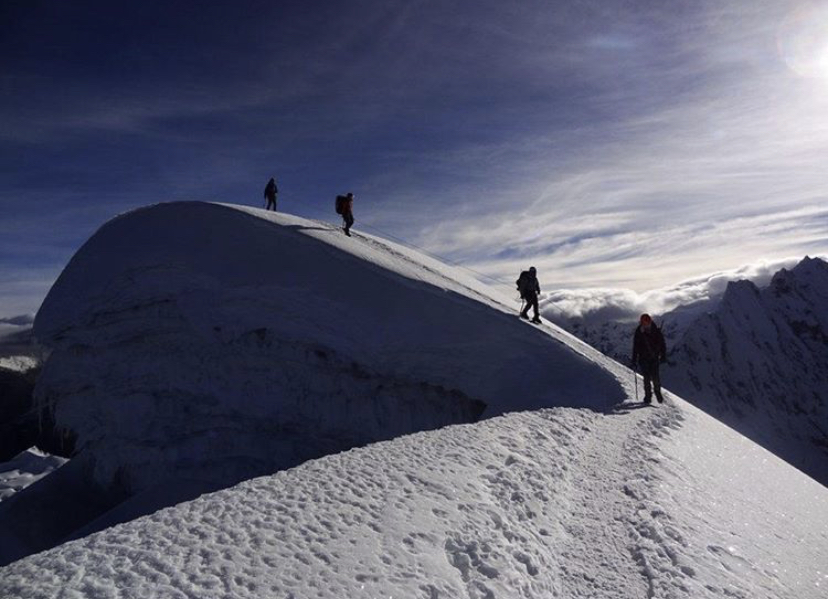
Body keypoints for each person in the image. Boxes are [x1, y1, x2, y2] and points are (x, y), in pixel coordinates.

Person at [631, 313, 667, 404]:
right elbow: (636, 347)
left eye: (646, 322)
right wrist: (634, 359)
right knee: (647, 378)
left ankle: (657, 392)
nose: (645, 324)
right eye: (644, 322)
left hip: (653, 358)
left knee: (655, 377)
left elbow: (662, 344)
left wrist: (663, 355)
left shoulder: (654, 331)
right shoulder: (640, 332)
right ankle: (648, 396)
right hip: (644, 358)